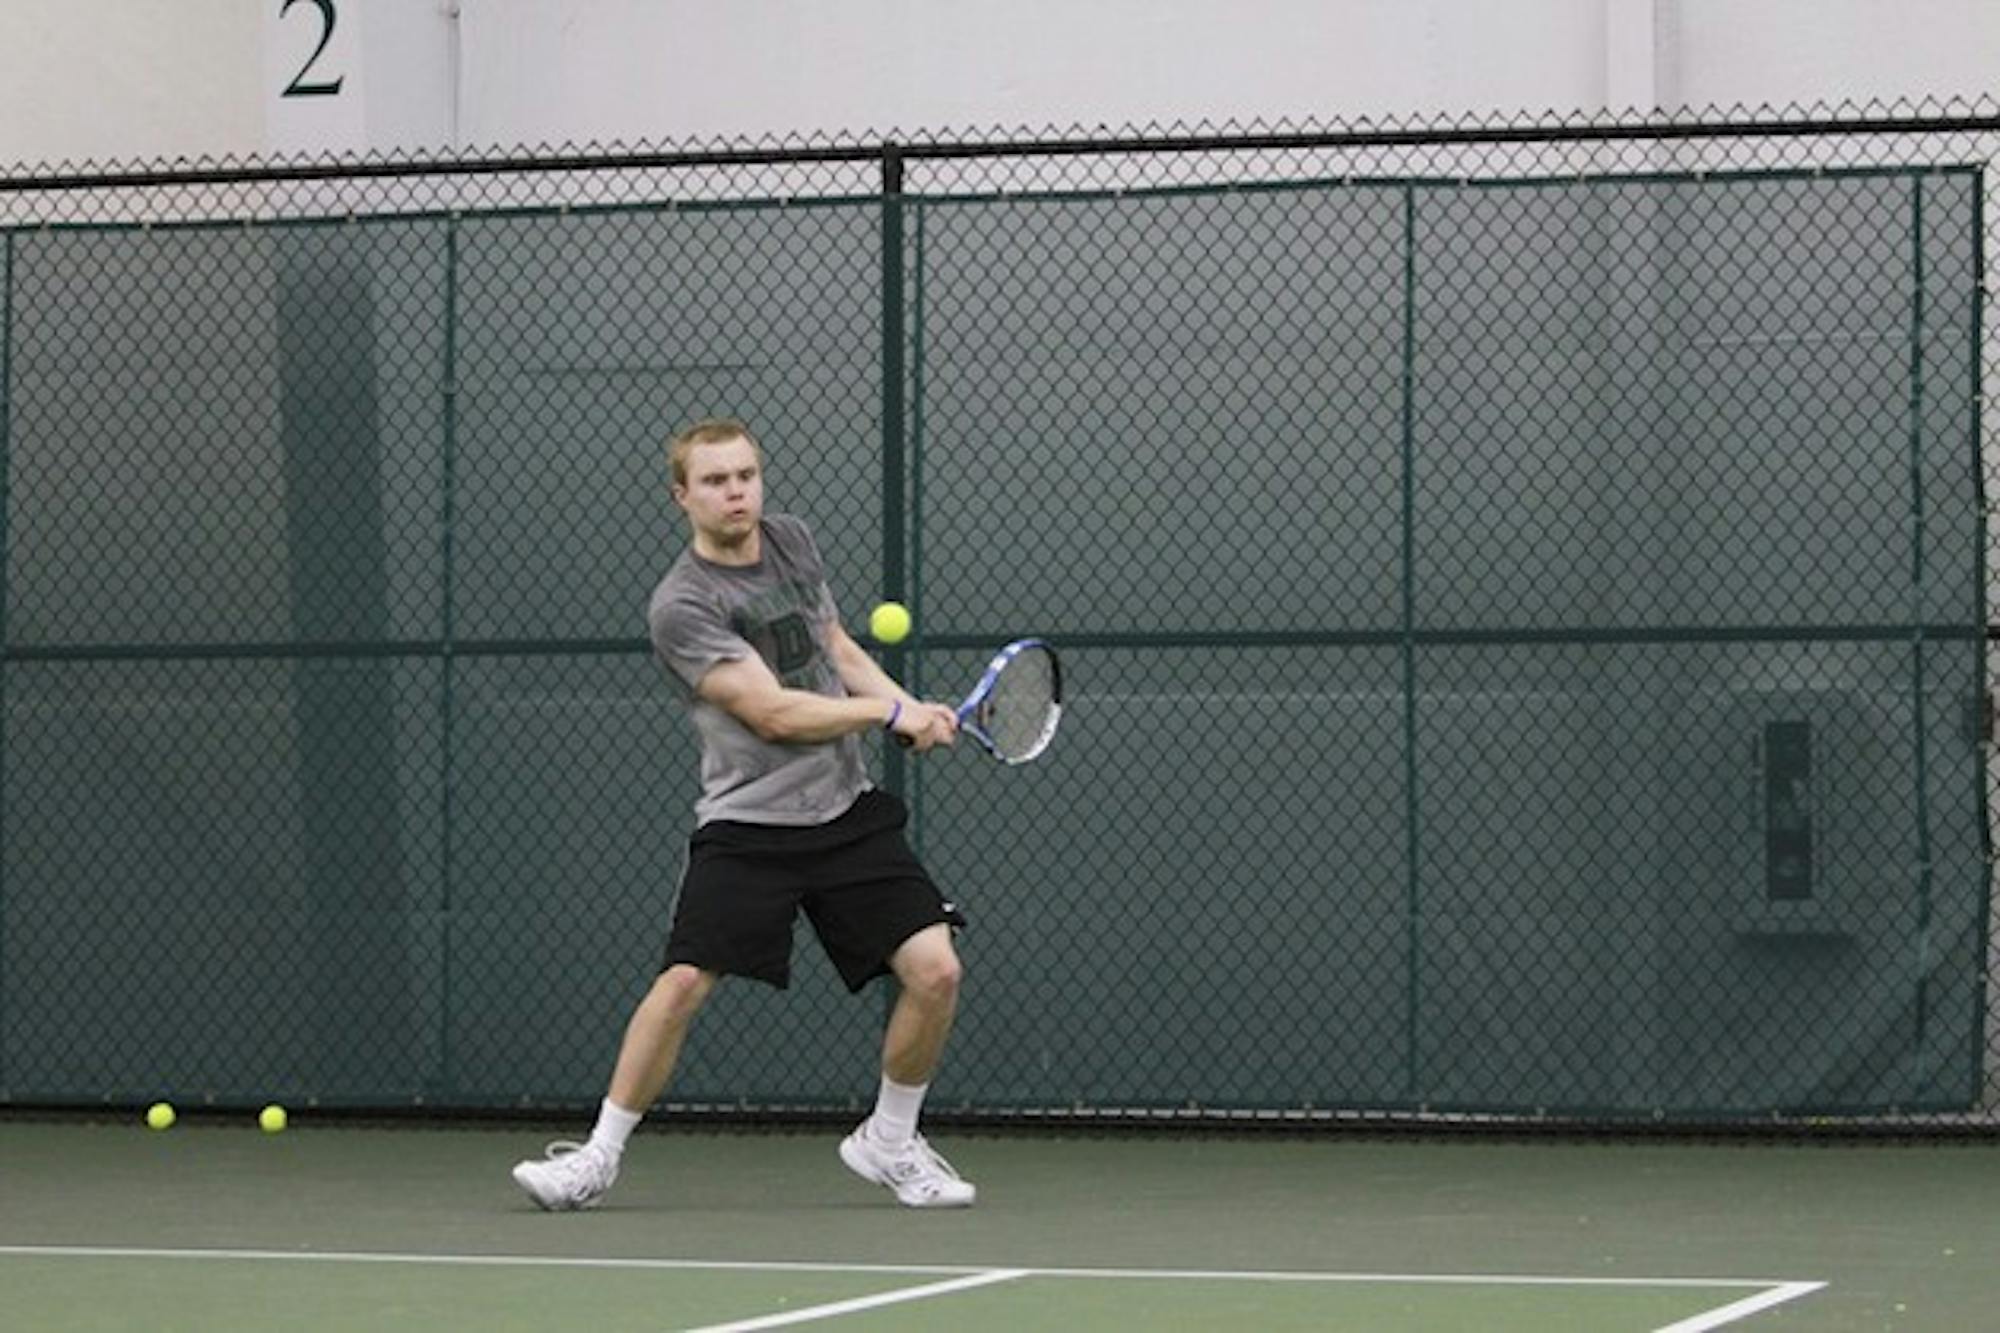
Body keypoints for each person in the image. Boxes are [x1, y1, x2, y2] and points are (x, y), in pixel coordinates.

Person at [510, 417, 976, 1212]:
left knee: (936, 971)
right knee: (685, 979)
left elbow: (834, 647)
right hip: (748, 825)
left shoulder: (791, 541)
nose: (738, 492)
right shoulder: (681, 606)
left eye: (747, 475)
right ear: (681, 495)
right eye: (718, 480)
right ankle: (595, 1156)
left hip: (844, 810)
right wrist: (883, 717)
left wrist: (905, 703)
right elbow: (773, 714)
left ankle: (890, 1141)